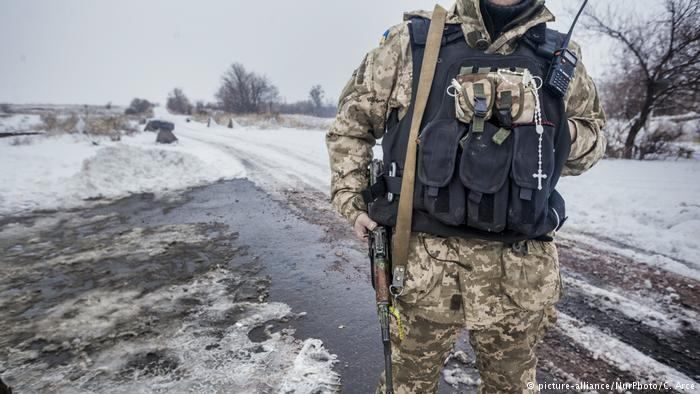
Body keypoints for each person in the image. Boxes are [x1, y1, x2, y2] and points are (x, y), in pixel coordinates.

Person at [326, 0, 606, 392]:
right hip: (423, 273)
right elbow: (351, 126)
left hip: (519, 280)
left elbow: (592, 145)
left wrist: (545, 120)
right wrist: (351, 200)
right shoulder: (414, 44)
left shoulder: (559, 55)